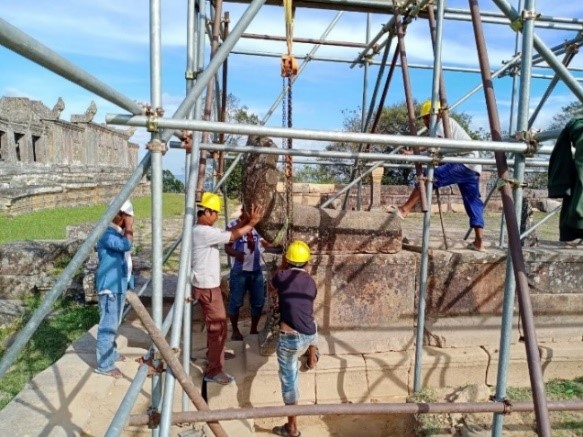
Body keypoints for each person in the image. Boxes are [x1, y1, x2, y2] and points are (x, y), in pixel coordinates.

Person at [189, 192, 264, 385]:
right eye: (215, 214)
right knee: (218, 327)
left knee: (216, 326)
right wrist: (252, 223)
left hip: (207, 284)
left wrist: (246, 221)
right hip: (207, 286)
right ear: (207, 211)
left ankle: (215, 354)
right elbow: (232, 235)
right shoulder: (203, 232)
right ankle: (214, 370)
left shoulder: (201, 230)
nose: (216, 218)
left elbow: (230, 232)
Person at [396, 99, 486, 251]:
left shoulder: (442, 124)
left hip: (463, 162)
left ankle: (404, 210)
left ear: (433, 115)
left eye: (425, 118)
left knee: (426, 177)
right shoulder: (444, 125)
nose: (424, 122)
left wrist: (414, 152)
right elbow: (437, 146)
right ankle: (479, 242)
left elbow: (434, 147)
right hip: (474, 166)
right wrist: (415, 152)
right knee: (473, 202)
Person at [271, 240, 319, 437]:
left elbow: (274, 285)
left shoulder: (281, 276)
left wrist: (281, 265)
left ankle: (292, 427)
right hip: (309, 337)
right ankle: (312, 357)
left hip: (290, 341)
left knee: (289, 380)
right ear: (307, 262)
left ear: (286, 260)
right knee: (311, 320)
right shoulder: (311, 282)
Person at [95, 199, 135, 378]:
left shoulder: (116, 233)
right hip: (109, 287)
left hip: (117, 285)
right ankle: (105, 365)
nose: (129, 220)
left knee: (114, 323)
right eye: (127, 216)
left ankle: (110, 354)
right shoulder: (107, 234)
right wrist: (130, 227)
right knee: (107, 326)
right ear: (120, 216)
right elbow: (126, 246)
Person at [224, 206, 273, 341]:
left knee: (258, 301)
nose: (253, 213)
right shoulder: (233, 225)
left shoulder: (258, 227)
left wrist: (278, 244)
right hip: (239, 272)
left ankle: (253, 329)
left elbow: (265, 243)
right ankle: (235, 330)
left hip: (256, 271)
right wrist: (236, 253)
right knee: (235, 302)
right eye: (250, 211)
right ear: (243, 212)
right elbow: (227, 247)